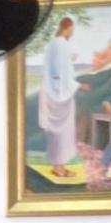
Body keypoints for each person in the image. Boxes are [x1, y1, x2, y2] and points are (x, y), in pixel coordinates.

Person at [38, 17, 85, 179]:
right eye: (72, 30)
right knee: (63, 132)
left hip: (52, 91)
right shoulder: (62, 44)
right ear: (67, 28)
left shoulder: (53, 43)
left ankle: (57, 166)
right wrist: (78, 85)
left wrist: (69, 60)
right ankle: (60, 169)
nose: (72, 33)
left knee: (55, 133)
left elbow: (56, 67)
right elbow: (61, 71)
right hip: (60, 94)